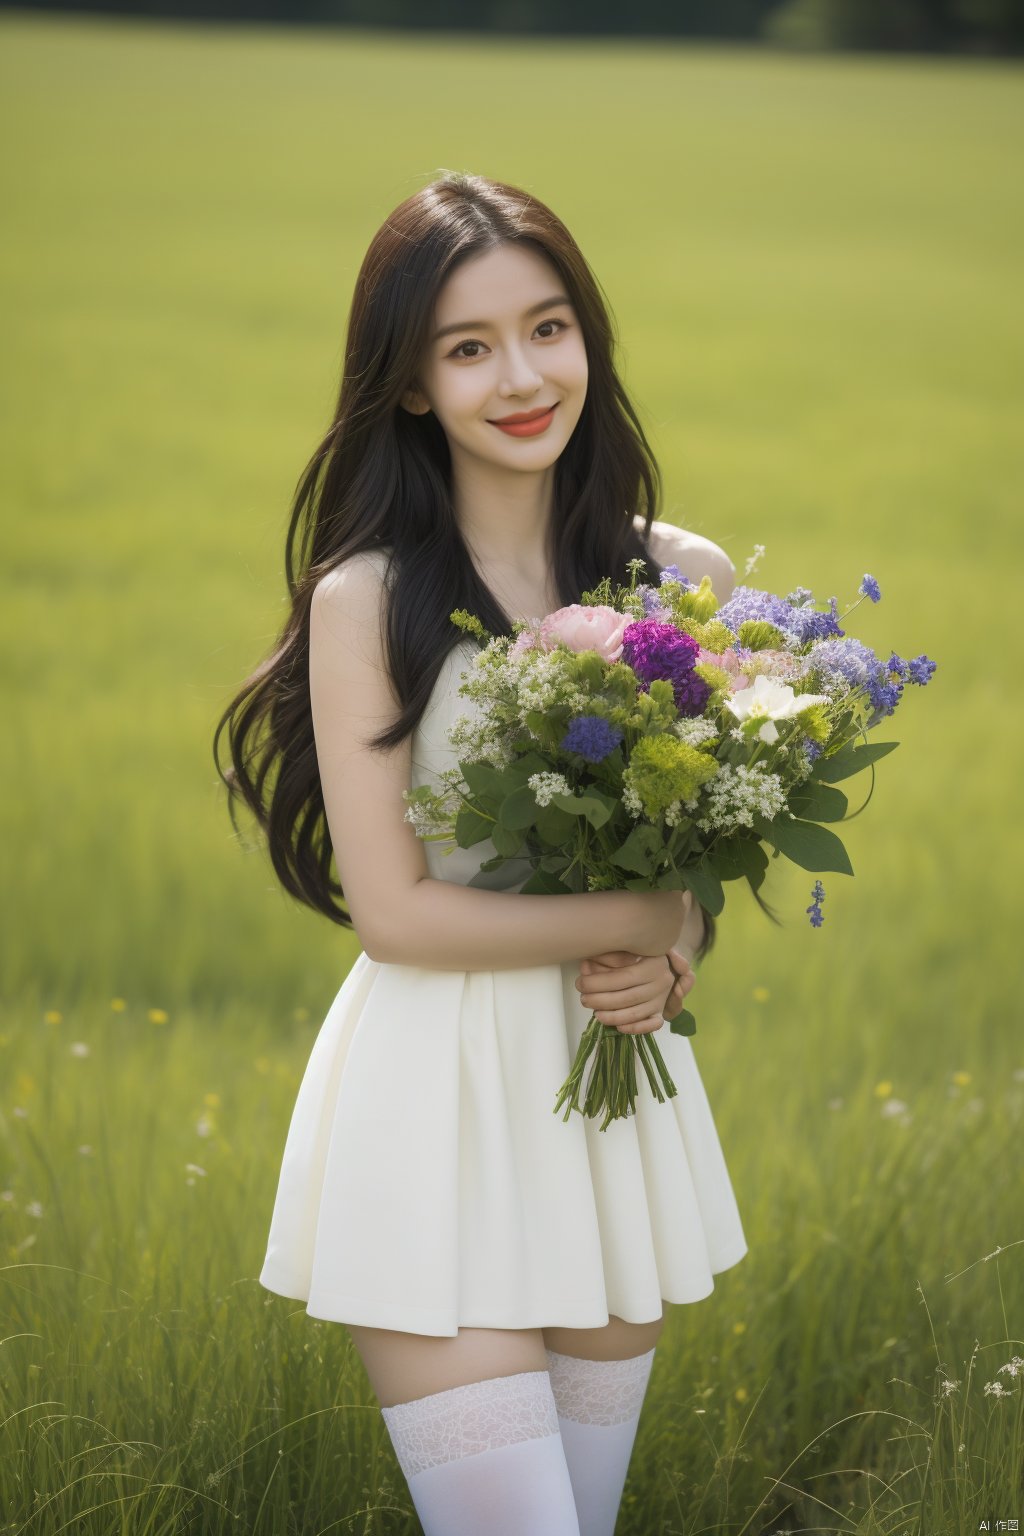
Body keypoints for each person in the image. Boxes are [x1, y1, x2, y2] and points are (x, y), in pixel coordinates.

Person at [214, 171, 748, 1536]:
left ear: (588, 340)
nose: (522, 375)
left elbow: (699, 847)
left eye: (548, 328)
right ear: (408, 385)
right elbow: (394, 912)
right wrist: (635, 914)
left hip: (605, 1110)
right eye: (468, 347)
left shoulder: (678, 577)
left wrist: (673, 952)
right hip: (431, 1107)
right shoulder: (368, 598)